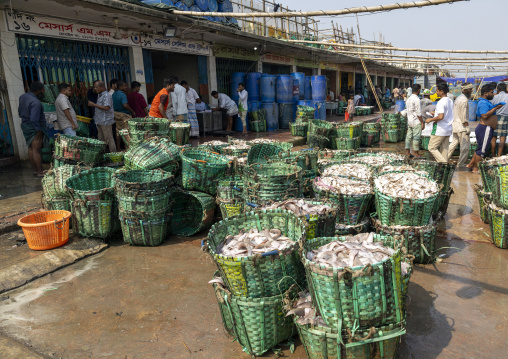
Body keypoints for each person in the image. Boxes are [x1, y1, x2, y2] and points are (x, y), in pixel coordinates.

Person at [468, 85, 505, 172]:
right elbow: (484, 115)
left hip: (485, 128)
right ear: (485, 93)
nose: (493, 95)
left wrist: (495, 107)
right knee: (482, 150)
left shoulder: (485, 102)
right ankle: (476, 169)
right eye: (491, 93)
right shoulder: (483, 103)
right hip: (485, 128)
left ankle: (471, 165)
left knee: (480, 148)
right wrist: (496, 107)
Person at [18, 81, 46, 177]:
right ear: (38, 91)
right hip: (33, 127)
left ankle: (35, 170)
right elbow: (34, 119)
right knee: (36, 149)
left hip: (25, 125)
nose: (44, 91)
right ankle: (40, 171)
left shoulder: (22, 97)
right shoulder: (36, 102)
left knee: (30, 148)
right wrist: (38, 130)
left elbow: (19, 111)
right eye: (43, 89)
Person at [426, 83, 454, 163]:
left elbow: (441, 116)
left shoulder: (441, 102)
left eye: (437, 91)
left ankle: (444, 164)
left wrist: (430, 120)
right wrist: (435, 114)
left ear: (442, 91)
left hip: (440, 128)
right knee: (444, 149)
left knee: (431, 147)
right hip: (448, 128)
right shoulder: (450, 101)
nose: (436, 93)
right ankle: (444, 167)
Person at [448, 83, 473, 168]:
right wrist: (466, 126)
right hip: (461, 127)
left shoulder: (458, 98)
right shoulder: (464, 100)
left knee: (453, 144)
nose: (471, 91)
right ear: (465, 90)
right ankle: (461, 164)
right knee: (465, 147)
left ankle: (443, 159)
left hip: (455, 125)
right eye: (470, 89)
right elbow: (463, 115)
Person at [88, 81, 116, 153]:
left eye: (96, 87)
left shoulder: (106, 95)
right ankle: (103, 154)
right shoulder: (99, 95)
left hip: (106, 121)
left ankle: (113, 154)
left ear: (101, 87)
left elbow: (107, 107)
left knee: (109, 139)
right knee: (101, 139)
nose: (95, 89)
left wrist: (94, 105)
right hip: (99, 121)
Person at [112, 81, 135, 149]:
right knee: (127, 131)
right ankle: (128, 147)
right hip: (124, 115)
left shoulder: (114, 94)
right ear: (120, 87)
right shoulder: (122, 95)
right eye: (124, 86)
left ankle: (118, 148)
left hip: (116, 114)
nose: (126, 87)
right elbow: (125, 105)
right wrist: (132, 111)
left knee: (118, 131)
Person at [405, 84, 424, 158]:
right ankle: (416, 153)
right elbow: (419, 113)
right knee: (416, 137)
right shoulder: (417, 99)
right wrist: (422, 122)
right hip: (416, 121)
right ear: (418, 90)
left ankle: (407, 152)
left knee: (408, 137)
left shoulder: (409, 99)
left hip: (409, 121)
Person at [491, 82, 508, 157]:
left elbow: (490, 107)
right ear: (506, 89)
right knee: (502, 138)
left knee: (493, 137)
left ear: (497, 90)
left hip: (494, 118)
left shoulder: (494, 97)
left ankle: (493, 154)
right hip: (505, 118)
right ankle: (499, 156)